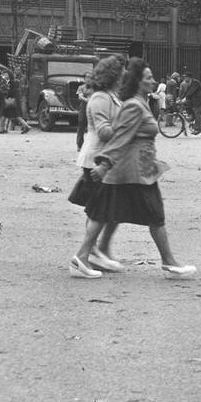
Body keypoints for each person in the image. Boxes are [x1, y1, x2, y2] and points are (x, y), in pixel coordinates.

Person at [72, 58, 195, 280]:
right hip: (133, 171)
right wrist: (105, 164)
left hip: (136, 169)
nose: (153, 81)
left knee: (104, 214)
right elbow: (120, 137)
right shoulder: (133, 105)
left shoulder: (137, 102)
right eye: (148, 77)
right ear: (138, 81)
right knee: (151, 215)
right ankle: (168, 262)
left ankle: (86, 256)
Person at [67, 58, 123, 271]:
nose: (124, 77)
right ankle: (88, 253)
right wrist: (128, 127)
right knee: (98, 210)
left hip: (104, 159)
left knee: (103, 209)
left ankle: (93, 251)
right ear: (113, 76)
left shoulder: (109, 96)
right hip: (96, 160)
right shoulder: (100, 98)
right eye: (121, 73)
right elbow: (104, 131)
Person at [182, 70, 201, 134]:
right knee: (186, 104)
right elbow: (186, 92)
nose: (184, 79)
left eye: (185, 77)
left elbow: (191, 91)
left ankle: (197, 129)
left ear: (189, 77)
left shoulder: (195, 82)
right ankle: (192, 116)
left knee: (197, 113)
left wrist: (185, 98)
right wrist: (181, 98)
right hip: (195, 101)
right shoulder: (189, 83)